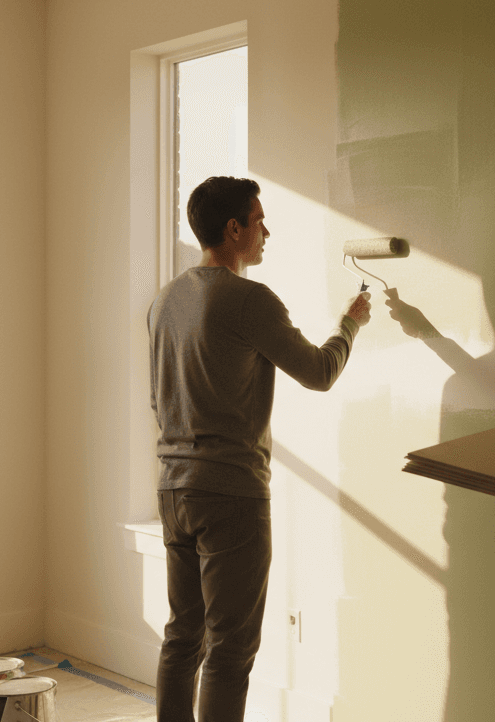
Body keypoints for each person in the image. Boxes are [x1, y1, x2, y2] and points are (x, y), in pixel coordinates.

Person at [147, 176, 372, 722]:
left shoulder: (164, 300)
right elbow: (318, 372)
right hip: (230, 495)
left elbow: (160, 398)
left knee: (183, 636)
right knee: (230, 651)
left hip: (173, 489)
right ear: (233, 229)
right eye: (259, 220)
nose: (266, 231)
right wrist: (351, 323)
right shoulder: (250, 301)